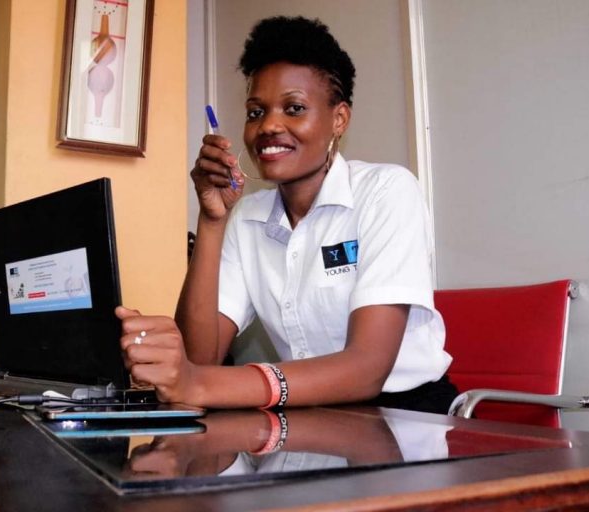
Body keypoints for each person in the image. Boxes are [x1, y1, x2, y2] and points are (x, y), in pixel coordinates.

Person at [116, 16, 456, 413]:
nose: (269, 126)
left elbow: (366, 369)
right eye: (255, 113)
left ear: (339, 119)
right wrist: (212, 221)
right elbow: (199, 360)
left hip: (407, 415)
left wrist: (201, 384)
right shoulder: (247, 217)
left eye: (294, 108)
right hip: (309, 413)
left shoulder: (386, 191)